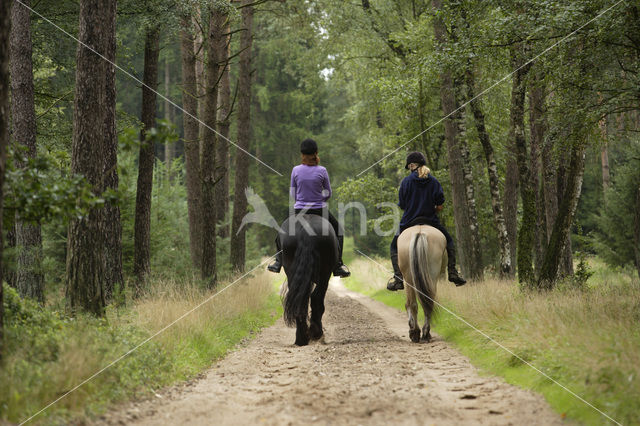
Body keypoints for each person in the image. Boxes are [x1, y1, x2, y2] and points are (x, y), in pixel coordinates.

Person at [268, 138, 350, 277]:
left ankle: (278, 262)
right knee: (339, 231)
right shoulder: (322, 170)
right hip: (319, 210)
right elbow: (328, 193)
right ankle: (338, 265)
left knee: (281, 231)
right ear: (316, 153)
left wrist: (301, 199)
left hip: (299, 209)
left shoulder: (295, 170)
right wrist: (319, 198)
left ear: (302, 154)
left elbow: (292, 193)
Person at [387, 151, 466, 291]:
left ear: (411, 166)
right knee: (449, 241)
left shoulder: (405, 182)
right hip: (431, 221)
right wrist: (432, 209)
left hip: (409, 221)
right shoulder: (434, 181)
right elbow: (440, 205)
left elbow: (403, 205)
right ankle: (453, 273)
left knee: (394, 246)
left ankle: (398, 279)